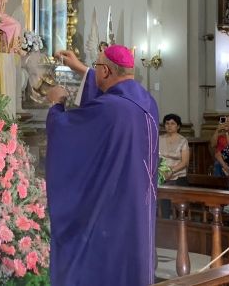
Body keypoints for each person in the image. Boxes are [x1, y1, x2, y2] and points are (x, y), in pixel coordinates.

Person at [44, 46, 159, 286]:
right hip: (137, 204)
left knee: (106, 267)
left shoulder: (111, 109)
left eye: (97, 66)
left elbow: (70, 132)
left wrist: (56, 105)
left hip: (111, 207)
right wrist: (82, 70)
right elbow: (113, 96)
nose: (95, 71)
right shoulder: (147, 102)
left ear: (105, 70)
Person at [159, 113, 190, 185]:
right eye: (167, 123)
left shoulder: (183, 140)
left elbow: (184, 162)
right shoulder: (159, 139)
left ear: (178, 126)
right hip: (161, 174)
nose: (169, 126)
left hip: (178, 176)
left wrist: (171, 171)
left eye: (172, 123)